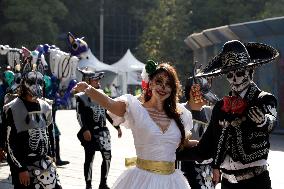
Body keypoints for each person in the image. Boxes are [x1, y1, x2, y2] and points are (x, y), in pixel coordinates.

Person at [73, 60, 198, 189]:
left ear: (173, 89)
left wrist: (207, 144)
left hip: (173, 182)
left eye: (168, 84)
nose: (163, 87)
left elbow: (184, 143)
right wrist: (89, 89)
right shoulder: (135, 107)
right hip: (142, 180)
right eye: (159, 82)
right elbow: (111, 104)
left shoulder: (181, 115)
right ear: (150, 84)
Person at [177, 40, 279, 189]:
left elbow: (271, 120)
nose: (235, 79)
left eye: (239, 72)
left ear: (250, 71)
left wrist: (264, 122)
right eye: (230, 75)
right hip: (227, 184)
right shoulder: (220, 107)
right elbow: (204, 149)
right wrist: (168, 152)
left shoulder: (264, 99)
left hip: (256, 182)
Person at [1, 65, 62, 188]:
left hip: (45, 161)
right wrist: (21, 168)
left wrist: (52, 156)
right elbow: (9, 142)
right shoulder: (12, 108)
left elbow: (50, 133)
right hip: (23, 164)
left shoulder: (46, 106)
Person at [75, 68, 122, 189]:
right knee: (89, 158)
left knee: (107, 157)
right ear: (87, 81)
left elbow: (106, 112)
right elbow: (79, 115)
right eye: (95, 80)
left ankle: (103, 183)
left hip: (103, 132)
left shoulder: (101, 93)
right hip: (90, 131)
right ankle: (88, 185)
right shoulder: (81, 97)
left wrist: (116, 126)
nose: (98, 82)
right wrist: (84, 129)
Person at [178, 75, 219, 189]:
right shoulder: (178, 111)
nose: (207, 96)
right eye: (203, 91)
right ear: (193, 91)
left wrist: (216, 167)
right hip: (184, 169)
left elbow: (216, 142)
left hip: (207, 172)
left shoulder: (210, 113)